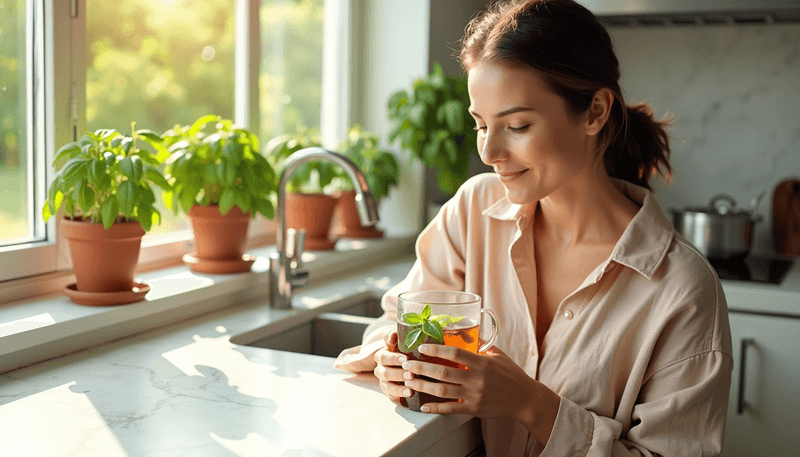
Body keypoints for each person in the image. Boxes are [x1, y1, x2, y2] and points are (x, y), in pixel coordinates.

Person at [334, 0, 733, 455]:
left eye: (517, 125)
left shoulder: (681, 289)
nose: (488, 151)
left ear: (595, 112)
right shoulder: (472, 211)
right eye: (481, 124)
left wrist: (531, 404)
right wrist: (391, 360)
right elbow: (392, 323)